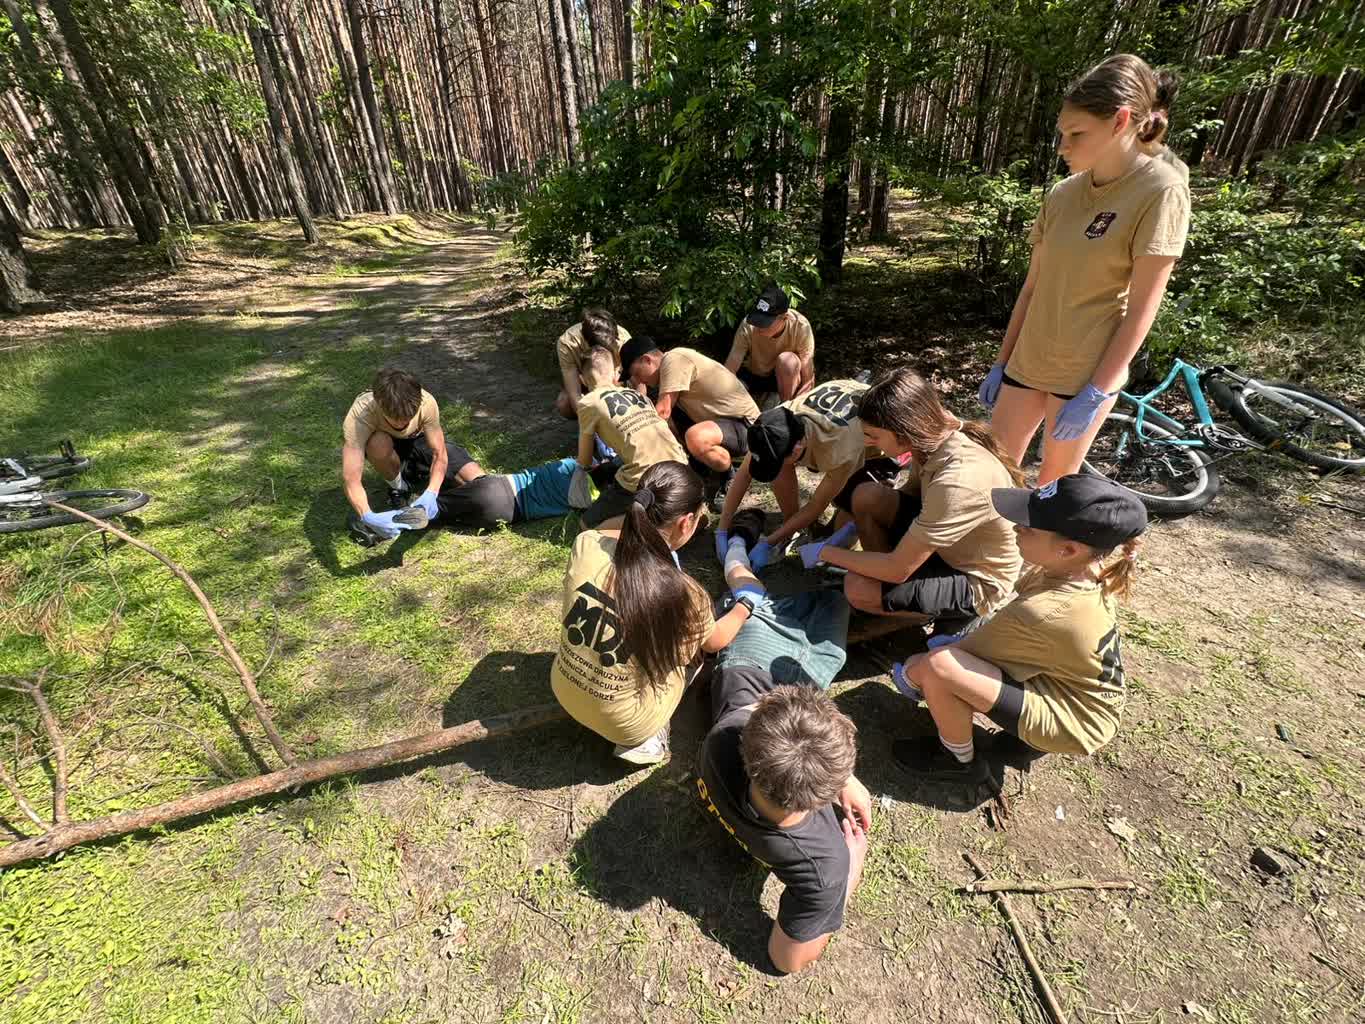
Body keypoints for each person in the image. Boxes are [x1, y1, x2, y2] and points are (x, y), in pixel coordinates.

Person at [978, 54, 1191, 486]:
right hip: (1030, 358)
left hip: (1085, 369)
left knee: (1054, 485)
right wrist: (1001, 362)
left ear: (1120, 122)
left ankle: (1040, 556)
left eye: (1077, 134)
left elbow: (1142, 309)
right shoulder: (1062, 194)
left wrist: (1098, 389)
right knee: (993, 471)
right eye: (1062, 134)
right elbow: (1032, 287)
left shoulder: (1160, 190)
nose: (1063, 147)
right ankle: (991, 555)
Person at [888, 475, 1147, 785]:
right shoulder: (1086, 572)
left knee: (938, 667)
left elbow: (955, 658)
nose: (1014, 528)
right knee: (953, 655)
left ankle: (958, 762)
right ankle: (1025, 742)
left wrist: (911, 675)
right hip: (1074, 693)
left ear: (1068, 550)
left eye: (1027, 528)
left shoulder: (1045, 610)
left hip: (1077, 723)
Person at [551, 462, 770, 764]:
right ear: (687, 522)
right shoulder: (686, 593)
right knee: (691, 657)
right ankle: (647, 740)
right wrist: (746, 603)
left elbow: (609, 537)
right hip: (624, 723)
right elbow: (715, 641)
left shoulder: (586, 544)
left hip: (564, 689)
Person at [798, 367, 1023, 635]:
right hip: (947, 548)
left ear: (904, 434)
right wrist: (860, 530)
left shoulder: (958, 480)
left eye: (874, 436)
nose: (871, 443)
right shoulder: (928, 444)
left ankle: (916, 615)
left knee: (858, 587)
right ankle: (889, 597)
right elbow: (912, 497)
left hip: (974, 577)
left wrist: (826, 552)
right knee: (867, 496)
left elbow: (897, 569)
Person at [697, 669, 871, 973]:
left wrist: (841, 776)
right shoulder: (824, 868)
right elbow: (786, 960)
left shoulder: (723, 737)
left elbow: (749, 700)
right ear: (824, 797)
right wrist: (849, 875)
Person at [716, 378, 889, 572]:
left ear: (798, 450)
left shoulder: (840, 450)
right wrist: (722, 529)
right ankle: (793, 527)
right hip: (837, 423)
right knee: (780, 466)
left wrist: (770, 542)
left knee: (846, 523)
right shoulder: (778, 422)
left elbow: (816, 504)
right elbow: (744, 474)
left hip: (882, 446)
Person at [341, 367, 482, 541]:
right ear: (378, 402)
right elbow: (351, 478)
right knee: (377, 443)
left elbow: (439, 453)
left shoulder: (426, 402)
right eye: (395, 418)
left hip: (420, 442)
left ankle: (428, 494)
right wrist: (367, 516)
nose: (402, 423)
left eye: (408, 417)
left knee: (478, 479)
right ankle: (399, 488)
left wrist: (432, 491)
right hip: (387, 448)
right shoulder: (361, 414)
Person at [619, 336, 760, 498]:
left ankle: (730, 477)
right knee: (672, 421)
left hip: (749, 429)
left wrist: (634, 442)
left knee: (694, 436)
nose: (639, 381)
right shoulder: (672, 371)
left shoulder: (674, 359)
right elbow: (667, 420)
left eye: (636, 374)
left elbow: (662, 411)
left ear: (647, 360)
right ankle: (702, 467)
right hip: (726, 428)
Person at [573, 346, 688, 529]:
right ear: (615, 374)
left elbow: (585, 460)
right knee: (616, 466)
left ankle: (652, 524)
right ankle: (672, 512)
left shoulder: (588, 402)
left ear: (581, 379)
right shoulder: (637, 395)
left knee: (587, 525)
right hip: (681, 467)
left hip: (646, 478)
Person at [724, 285, 816, 403]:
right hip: (753, 375)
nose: (759, 326)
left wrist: (800, 404)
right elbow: (731, 365)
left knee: (788, 361)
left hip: (784, 378)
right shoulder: (748, 325)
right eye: (758, 319)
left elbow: (807, 377)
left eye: (766, 322)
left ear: (785, 318)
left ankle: (784, 408)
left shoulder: (800, 326)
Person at [554, 308, 633, 419]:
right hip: (587, 383)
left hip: (617, 382)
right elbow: (574, 391)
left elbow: (637, 380)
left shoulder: (623, 338)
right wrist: (590, 422)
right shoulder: (568, 343)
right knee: (565, 404)